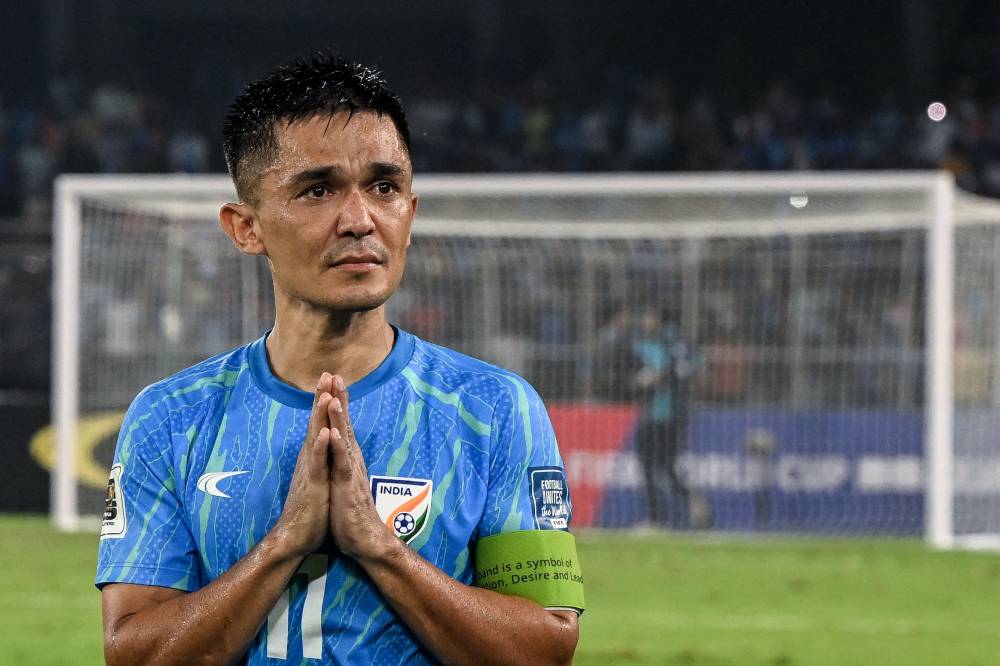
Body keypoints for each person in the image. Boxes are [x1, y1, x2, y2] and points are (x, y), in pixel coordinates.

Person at [96, 53, 582, 666]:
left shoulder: (496, 408)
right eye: (318, 189)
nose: (359, 220)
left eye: (384, 186)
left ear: (411, 211)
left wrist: (378, 546)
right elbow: (133, 656)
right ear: (246, 227)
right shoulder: (170, 417)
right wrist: (285, 543)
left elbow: (547, 649)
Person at [631, 307, 710, 528]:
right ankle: (693, 503)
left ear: (657, 318)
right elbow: (697, 372)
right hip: (672, 414)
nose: (645, 320)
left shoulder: (663, 342)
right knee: (665, 468)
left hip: (659, 415)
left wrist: (650, 380)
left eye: (647, 315)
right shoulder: (682, 343)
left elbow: (666, 371)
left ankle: (657, 519)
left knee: (650, 467)